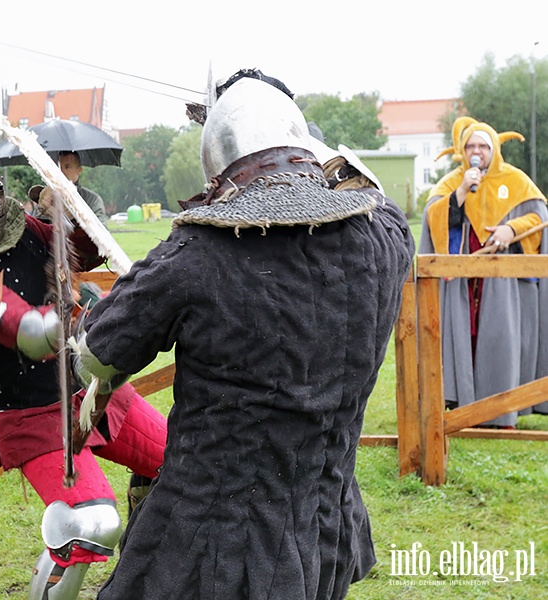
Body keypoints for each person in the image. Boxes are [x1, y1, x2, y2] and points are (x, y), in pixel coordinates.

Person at [75, 74, 415, 599]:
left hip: (212, 541)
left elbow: (95, 356)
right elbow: (375, 194)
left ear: (219, 175)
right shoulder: (386, 238)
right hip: (326, 523)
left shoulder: (196, 255)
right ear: (308, 149)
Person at [0, 138, 167, 599]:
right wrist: (96, 310)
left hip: (92, 393)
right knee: (90, 523)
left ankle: (142, 577)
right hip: (33, 416)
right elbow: (29, 333)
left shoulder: (26, 230)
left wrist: (66, 199)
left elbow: (87, 248)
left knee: (180, 463)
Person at [420, 116, 548, 427]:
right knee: (464, 336)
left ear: (494, 149)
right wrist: (462, 192)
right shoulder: (452, 182)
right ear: (462, 151)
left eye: (483, 145)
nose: (476, 151)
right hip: (462, 282)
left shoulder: (516, 181)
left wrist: (510, 229)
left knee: (500, 337)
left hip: (502, 283)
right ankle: (462, 403)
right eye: (470, 146)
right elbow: (433, 217)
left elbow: (539, 215)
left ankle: (503, 409)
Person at [29, 150, 109, 225]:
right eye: (58, 167)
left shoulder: (92, 199)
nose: (61, 171)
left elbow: (101, 232)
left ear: (79, 170)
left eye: (67, 167)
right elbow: (36, 230)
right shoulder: (45, 197)